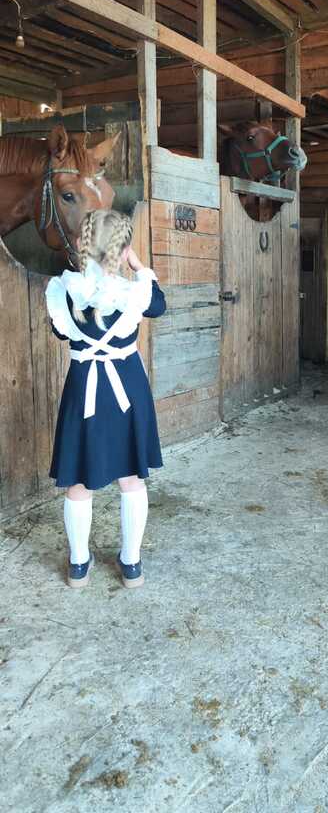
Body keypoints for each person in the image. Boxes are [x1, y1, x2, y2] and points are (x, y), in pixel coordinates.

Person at [45, 209, 166, 588]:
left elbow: (60, 333)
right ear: (124, 247)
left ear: (83, 242)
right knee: (131, 478)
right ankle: (131, 565)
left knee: (78, 480)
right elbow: (158, 305)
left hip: (84, 386)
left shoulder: (64, 290)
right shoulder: (135, 291)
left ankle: (79, 566)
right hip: (127, 386)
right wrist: (138, 264)